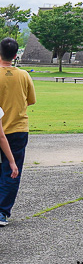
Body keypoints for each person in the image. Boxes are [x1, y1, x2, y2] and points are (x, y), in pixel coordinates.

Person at [0, 36, 35, 226]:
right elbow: (31, 100)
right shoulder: (23, 75)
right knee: (12, 170)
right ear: (15, 55)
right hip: (18, 128)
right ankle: (2, 212)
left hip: (1, 127)